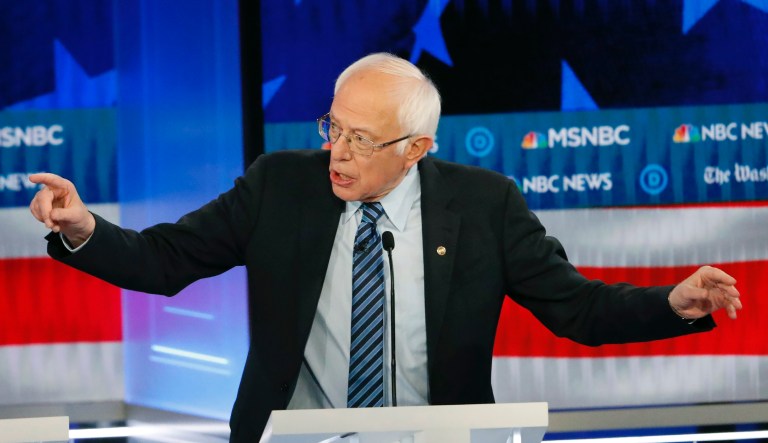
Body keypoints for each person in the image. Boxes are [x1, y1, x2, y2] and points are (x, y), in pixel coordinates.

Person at [28, 53, 741, 442]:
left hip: (440, 438)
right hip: (296, 439)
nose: (337, 152)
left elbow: (577, 309)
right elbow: (165, 259)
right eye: (332, 127)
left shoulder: (483, 204)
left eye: (363, 140)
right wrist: (82, 226)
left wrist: (673, 302)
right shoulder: (281, 185)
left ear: (417, 149)